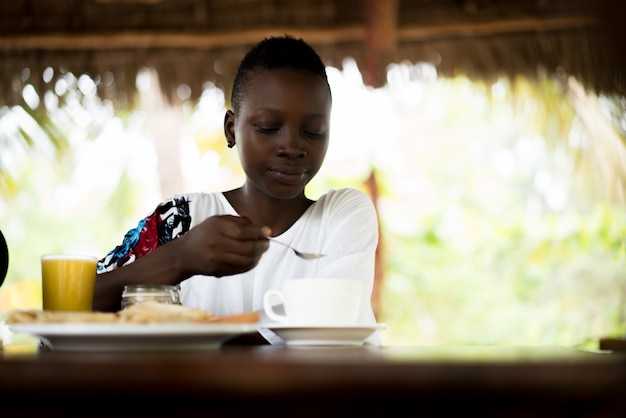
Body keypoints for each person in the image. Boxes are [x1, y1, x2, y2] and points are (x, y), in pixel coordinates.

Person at [94, 35, 380, 345]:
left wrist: (195, 333)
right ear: (232, 129)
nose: (292, 147)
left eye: (313, 131)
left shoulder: (342, 215)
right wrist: (181, 257)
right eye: (269, 127)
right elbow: (73, 306)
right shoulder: (182, 219)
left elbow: (329, 332)